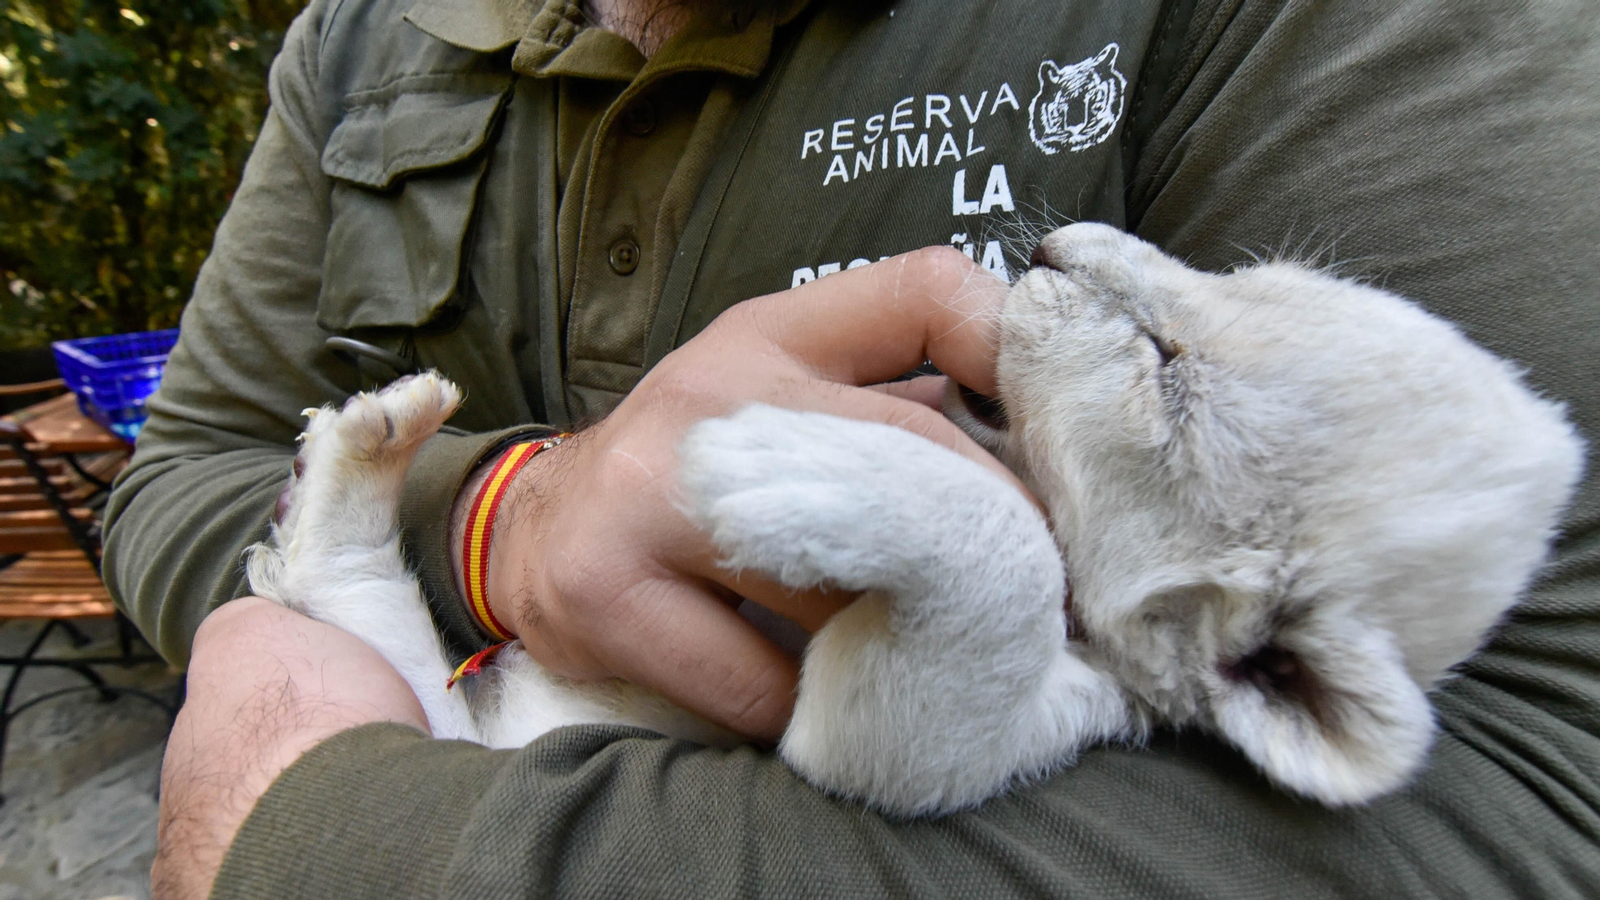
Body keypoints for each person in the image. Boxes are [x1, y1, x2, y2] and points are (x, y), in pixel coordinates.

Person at [102, 0, 1600, 896]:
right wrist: (505, 514)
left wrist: (327, 844)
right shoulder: (365, 35)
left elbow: (1533, 800)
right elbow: (191, 467)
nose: (1081, 257)